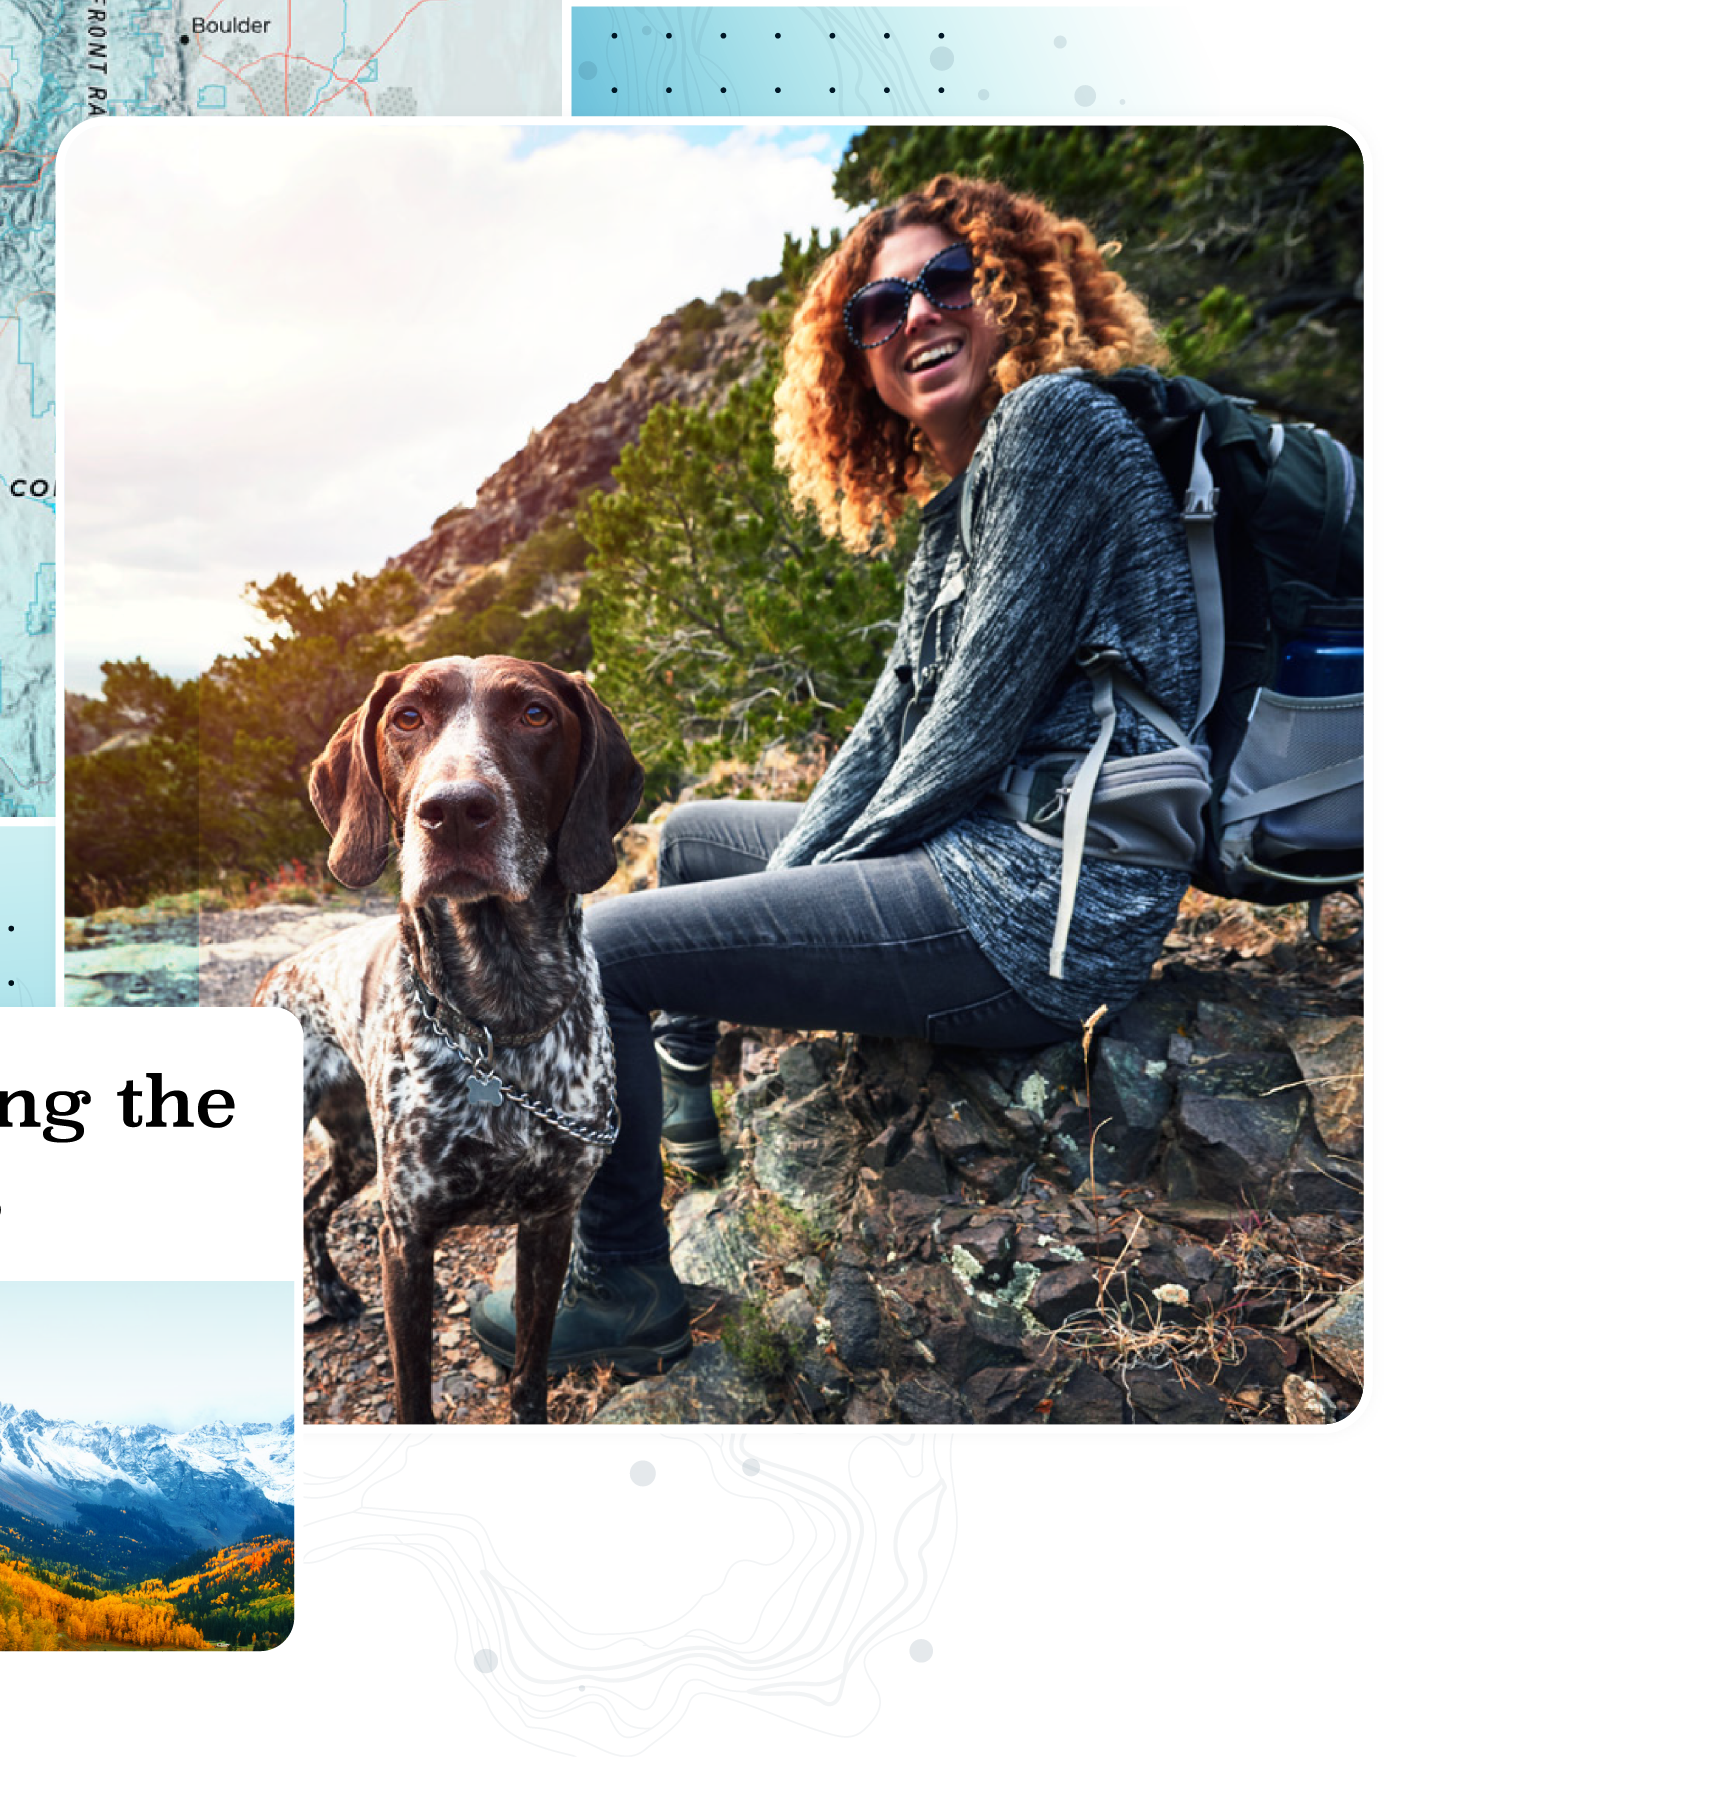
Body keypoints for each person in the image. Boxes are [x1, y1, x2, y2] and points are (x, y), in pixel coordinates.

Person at [470, 173, 1203, 1375]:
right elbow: (881, 734)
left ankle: (623, 1289)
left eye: (946, 283)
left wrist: (787, 897)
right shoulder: (958, 504)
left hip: (1042, 908)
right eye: (878, 307)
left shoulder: (1054, 427)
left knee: (600, 949)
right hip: (981, 854)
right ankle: (686, 1118)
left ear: (1008, 291)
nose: (915, 315)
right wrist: (775, 878)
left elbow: (963, 736)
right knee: (700, 835)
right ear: (854, 356)